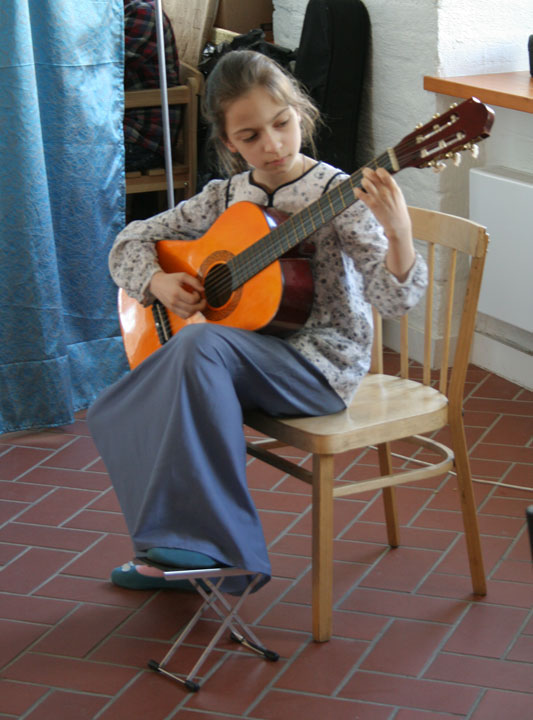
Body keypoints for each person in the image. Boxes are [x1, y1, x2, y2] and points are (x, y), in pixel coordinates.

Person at [88, 50, 427, 594]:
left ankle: (226, 555)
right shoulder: (225, 197)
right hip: (242, 359)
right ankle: (169, 550)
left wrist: (400, 233)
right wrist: (159, 283)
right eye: (250, 136)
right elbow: (129, 241)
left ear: (300, 114)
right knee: (120, 406)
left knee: (195, 351)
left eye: (281, 123)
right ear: (229, 144)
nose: (271, 144)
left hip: (320, 367)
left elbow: (394, 301)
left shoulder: (337, 195)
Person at [123, 0, 180, 219]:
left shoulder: (142, 13)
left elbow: (95, 72)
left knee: (55, 158)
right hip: (111, 124)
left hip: (140, 137)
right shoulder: (101, 9)